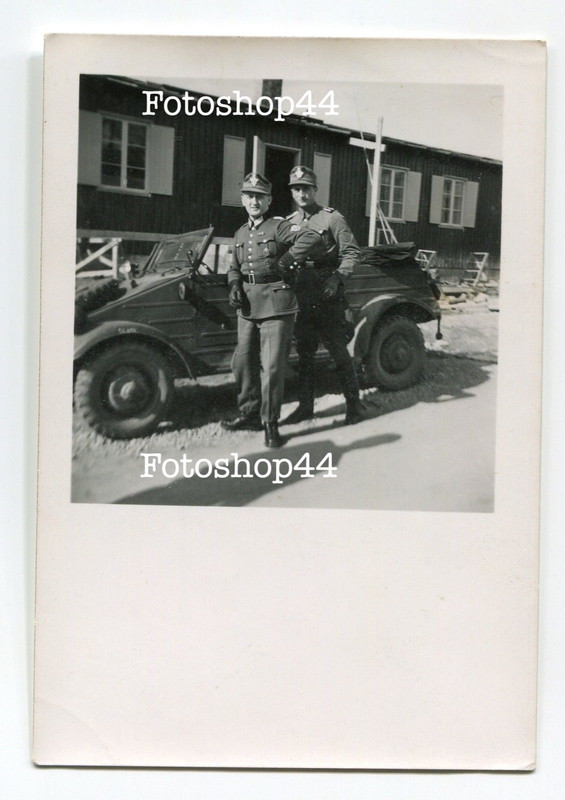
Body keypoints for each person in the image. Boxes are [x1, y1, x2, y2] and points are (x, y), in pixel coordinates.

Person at [222, 172, 322, 448]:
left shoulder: (278, 227)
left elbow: (311, 237)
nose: (254, 201)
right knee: (242, 362)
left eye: (260, 196)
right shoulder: (240, 232)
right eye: (249, 195)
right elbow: (234, 266)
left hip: (277, 306)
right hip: (247, 306)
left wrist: (288, 259)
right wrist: (234, 284)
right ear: (242, 199)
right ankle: (250, 412)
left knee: (273, 368)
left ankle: (270, 422)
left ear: (268, 201)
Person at [282, 165, 365, 426]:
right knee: (304, 355)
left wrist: (337, 277)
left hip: (327, 292)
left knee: (338, 351)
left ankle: (354, 406)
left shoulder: (332, 218)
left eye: (306, 188)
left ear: (315, 190)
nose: (301, 193)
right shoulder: (288, 223)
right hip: (302, 295)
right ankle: (306, 407)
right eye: (296, 189)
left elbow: (352, 252)